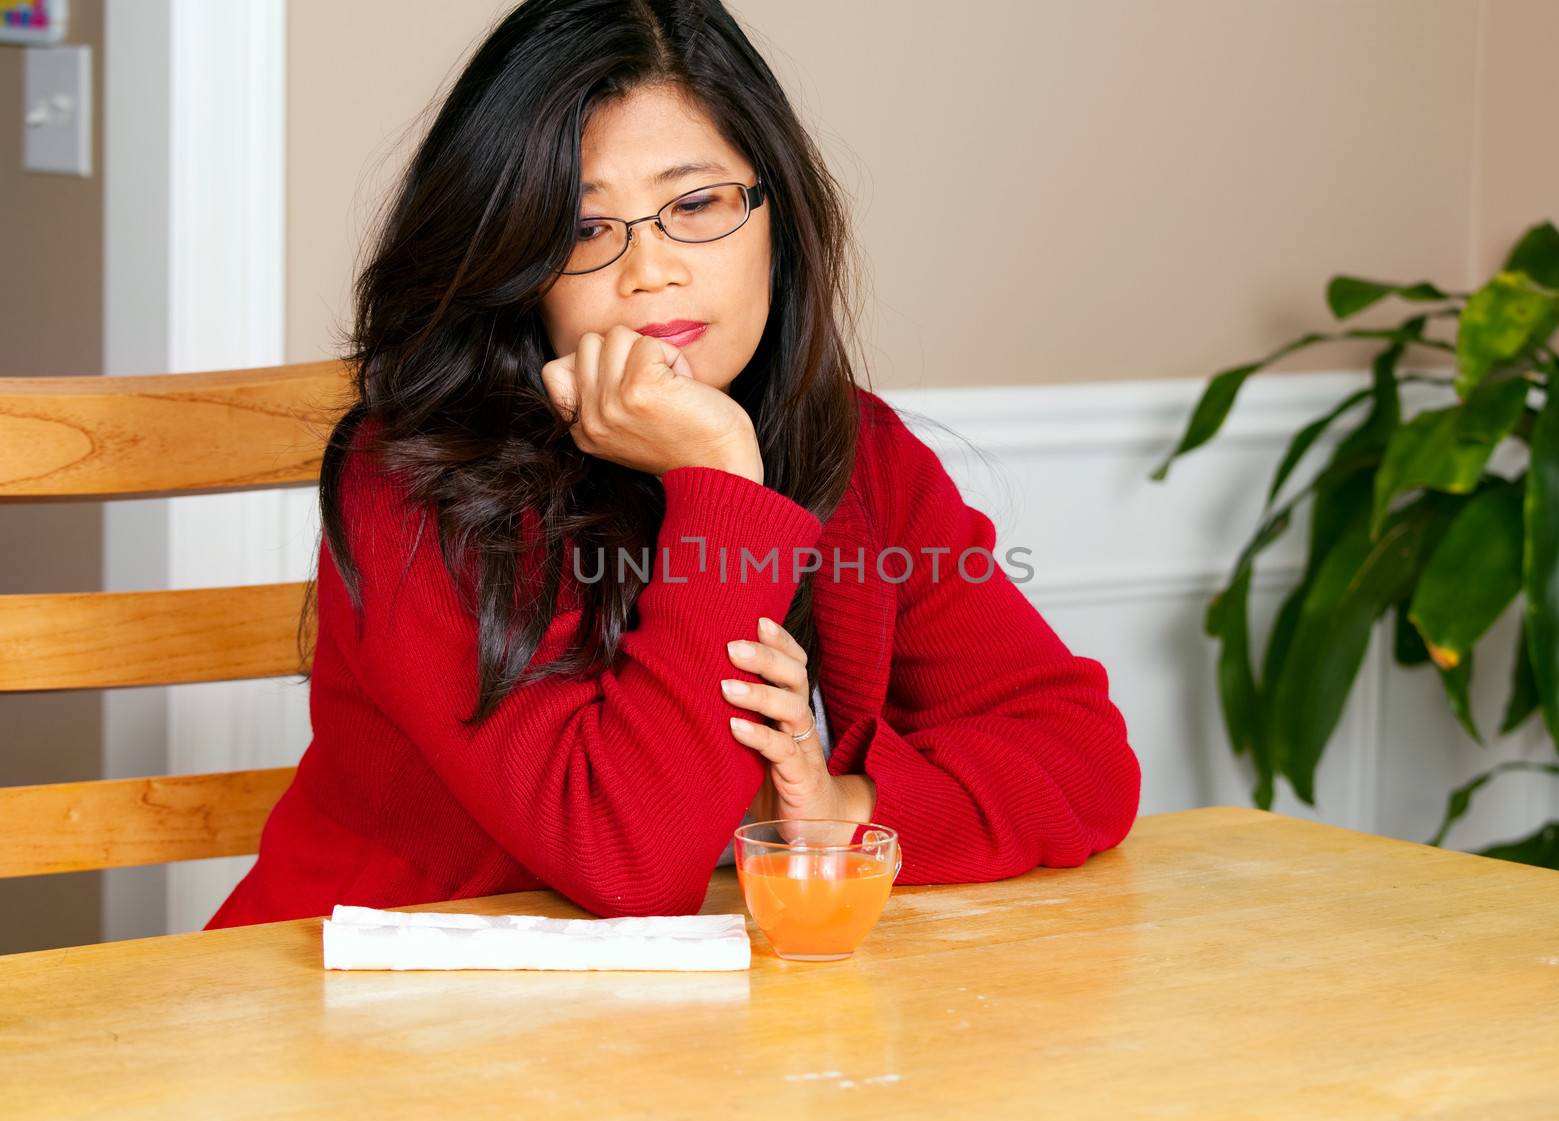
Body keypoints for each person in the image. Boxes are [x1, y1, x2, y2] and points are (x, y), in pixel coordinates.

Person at [205, 0, 1140, 929]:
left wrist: (838, 810)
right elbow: (630, 863)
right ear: (513, 264)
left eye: (696, 205)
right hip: (363, 1020)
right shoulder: (412, 479)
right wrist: (722, 477)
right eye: (581, 229)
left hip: (674, 1034)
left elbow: (1081, 760)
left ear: (776, 211)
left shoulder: (862, 452)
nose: (648, 271)